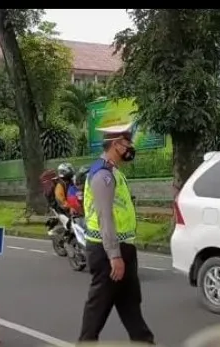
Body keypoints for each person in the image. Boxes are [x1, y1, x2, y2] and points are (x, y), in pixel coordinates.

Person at [78, 126, 154, 344]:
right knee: (99, 305)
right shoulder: (103, 175)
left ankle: (144, 341)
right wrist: (114, 255)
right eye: (127, 143)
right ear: (116, 145)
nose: (130, 147)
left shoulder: (114, 172)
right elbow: (105, 217)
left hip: (124, 247)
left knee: (130, 303)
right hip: (106, 251)